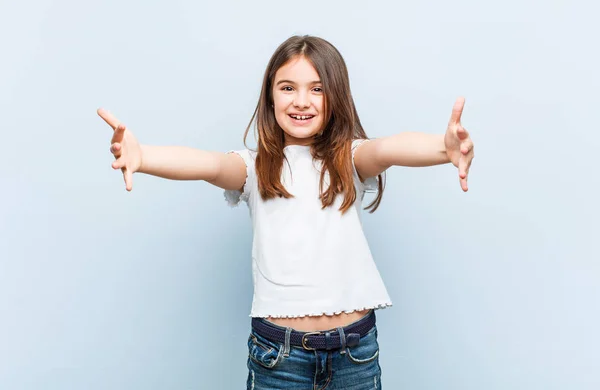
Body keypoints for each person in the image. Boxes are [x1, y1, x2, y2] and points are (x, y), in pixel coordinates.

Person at [98, 35, 474, 389]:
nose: (301, 100)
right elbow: (206, 164)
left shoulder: (351, 158)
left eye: (317, 89)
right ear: (271, 96)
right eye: (288, 87)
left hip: (354, 353)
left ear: (336, 97)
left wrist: (443, 149)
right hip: (279, 356)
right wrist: (143, 156)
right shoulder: (253, 167)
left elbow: (389, 149)